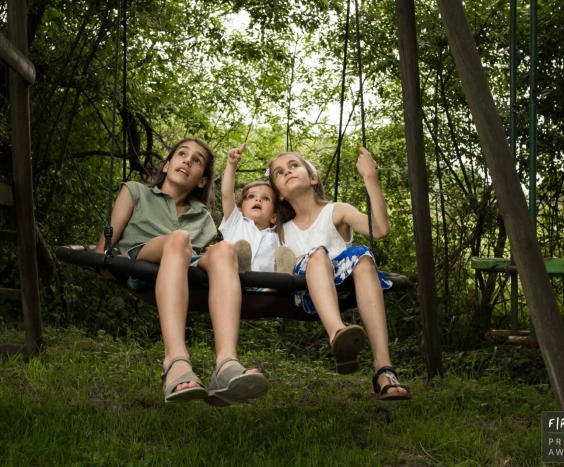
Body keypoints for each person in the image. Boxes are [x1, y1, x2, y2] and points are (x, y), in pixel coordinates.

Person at [94, 138, 268, 406]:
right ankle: (175, 361)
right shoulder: (135, 192)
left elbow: (196, 257)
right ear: (166, 165)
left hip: (183, 267)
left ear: (201, 180)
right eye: (182, 154)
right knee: (178, 238)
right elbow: (101, 250)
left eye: (196, 160)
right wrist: (107, 263)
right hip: (140, 263)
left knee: (225, 250)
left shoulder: (202, 216)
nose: (187, 160)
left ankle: (226, 364)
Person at [268, 148, 411, 400]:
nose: (287, 171)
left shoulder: (337, 211)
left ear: (313, 178)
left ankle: (384, 368)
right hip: (302, 292)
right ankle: (337, 333)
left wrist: (370, 178)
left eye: (293, 166)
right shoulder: (279, 230)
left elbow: (379, 229)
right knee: (318, 255)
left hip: (342, 285)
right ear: (279, 193)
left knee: (363, 257)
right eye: (279, 172)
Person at [220, 142, 295, 274]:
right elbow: (226, 195)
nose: (258, 199)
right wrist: (232, 165)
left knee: (283, 257)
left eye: (266, 199)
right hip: (231, 280)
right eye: (251, 197)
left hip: (265, 287)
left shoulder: (277, 237)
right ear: (239, 209)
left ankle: (282, 279)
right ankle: (240, 267)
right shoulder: (235, 222)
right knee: (237, 253)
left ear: (273, 217)